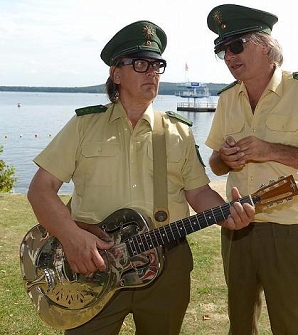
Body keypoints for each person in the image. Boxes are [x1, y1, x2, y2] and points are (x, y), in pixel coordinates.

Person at [27, 20, 255, 335]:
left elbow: (199, 193)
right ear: (116, 74)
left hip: (167, 266)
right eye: (140, 64)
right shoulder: (83, 126)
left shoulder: (178, 132)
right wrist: (72, 238)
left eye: (157, 65)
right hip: (94, 264)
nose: (151, 72)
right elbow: (40, 189)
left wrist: (228, 214)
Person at [205, 4, 298, 334]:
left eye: (236, 45)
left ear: (266, 45)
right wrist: (227, 158)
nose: (229, 56)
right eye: (222, 49)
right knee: (240, 325)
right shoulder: (228, 99)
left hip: (288, 232)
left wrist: (271, 150)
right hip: (237, 228)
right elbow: (214, 164)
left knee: (293, 326)